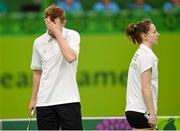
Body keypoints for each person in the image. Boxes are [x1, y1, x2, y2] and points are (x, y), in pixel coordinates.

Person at [29, 5, 83, 130]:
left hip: (69, 100)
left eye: (55, 21)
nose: (51, 25)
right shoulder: (38, 42)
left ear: (63, 22)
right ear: (45, 21)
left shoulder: (73, 35)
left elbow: (70, 57)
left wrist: (57, 33)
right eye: (49, 21)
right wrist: (33, 99)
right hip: (44, 102)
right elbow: (37, 71)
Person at [125, 20, 160, 130]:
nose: (158, 34)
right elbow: (146, 87)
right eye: (154, 32)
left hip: (133, 110)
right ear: (145, 36)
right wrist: (152, 113)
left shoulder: (139, 54)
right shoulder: (146, 55)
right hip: (142, 111)